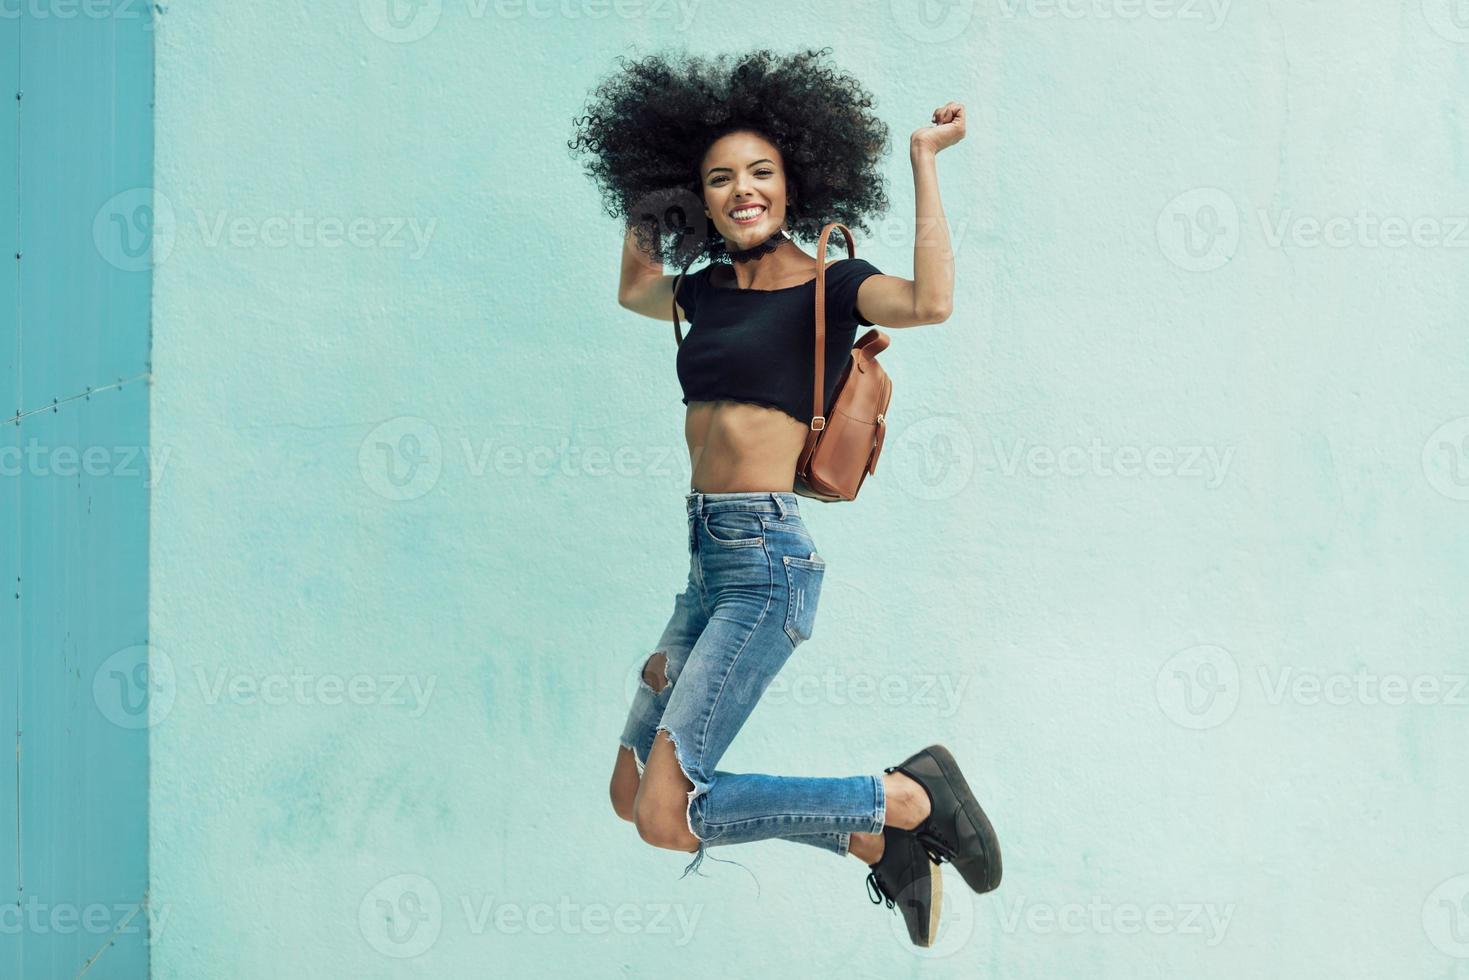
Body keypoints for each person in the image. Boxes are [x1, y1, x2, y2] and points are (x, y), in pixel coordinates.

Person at [568, 47, 1000, 947]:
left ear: (793, 179)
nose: (741, 190)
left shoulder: (833, 285)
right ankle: (869, 839)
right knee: (627, 796)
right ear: (700, 197)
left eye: (759, 172)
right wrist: (650, 187)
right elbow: (634, 289)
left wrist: (921, 159)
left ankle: (904, 795)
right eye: (717, 178)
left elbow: (930, 302)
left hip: (766, 566)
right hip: (705, 565)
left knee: (665, 815)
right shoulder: (705, 291)